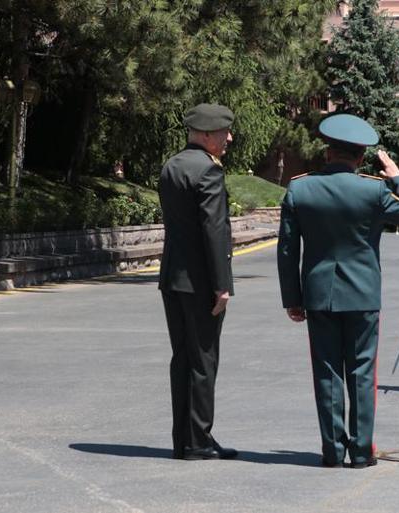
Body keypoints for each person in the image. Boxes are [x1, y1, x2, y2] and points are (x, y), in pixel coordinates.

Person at [277, 114, 399, 469]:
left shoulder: (300, 188)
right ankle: (360, 452)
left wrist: (292, 299)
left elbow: (287, 250)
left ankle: (332, 450)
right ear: (360, 156)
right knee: (361, 373)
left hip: (318, 296)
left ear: (328, 153)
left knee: (327, 373)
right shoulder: (373, 189)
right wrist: (397, 177)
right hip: (362, 296)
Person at [158, 103, 237, 460]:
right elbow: (214, 230)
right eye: (224, 133)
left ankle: (183, 439)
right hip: (202, 283)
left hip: (173, 278)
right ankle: (199, 440)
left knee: (183, 358)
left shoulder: (172, 166)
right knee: (204, 361)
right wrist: (222, 285)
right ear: (206, 135)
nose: (229, 138)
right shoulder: (208, 171)